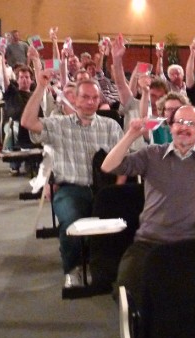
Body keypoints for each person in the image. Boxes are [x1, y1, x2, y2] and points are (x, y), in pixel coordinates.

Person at [101, 105, 195, 301]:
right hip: (148, 242)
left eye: (191, 124)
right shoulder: (151, 154)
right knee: (127, 294)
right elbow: (108, 166)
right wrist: (131, 135)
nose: (184, 127)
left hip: (187, 243)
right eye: (179, 122)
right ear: (170, 127)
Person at [21, 72, 124, 289]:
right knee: (71, 222)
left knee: (121, 221)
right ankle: (72, 268)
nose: (90, 102)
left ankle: (107, 266)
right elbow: (28, 122)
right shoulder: (59, 125)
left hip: (104, 189)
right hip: (70, 188)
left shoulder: (111, 126)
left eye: (94, 98)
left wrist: (118, 190)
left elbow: (123, 162)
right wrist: (40, 87)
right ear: (74, 99)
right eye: (85, 97)